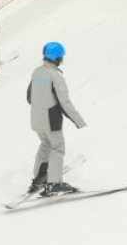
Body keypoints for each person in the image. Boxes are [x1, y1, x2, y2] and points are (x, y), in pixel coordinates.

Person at [27, 42, 87, 196]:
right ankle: (54, 183)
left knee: (45, 144)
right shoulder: (55, 76)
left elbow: (29, 97)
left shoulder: (37, 72)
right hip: (50, 120)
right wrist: (78, 121)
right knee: (57, 148)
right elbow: (64, 103)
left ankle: (39, 178)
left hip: (36, 119)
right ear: (58, 58)